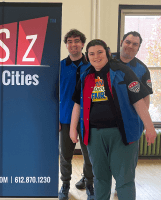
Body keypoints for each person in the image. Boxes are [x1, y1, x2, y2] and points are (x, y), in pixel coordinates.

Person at [70, 39, 157, 200]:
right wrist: (72, 128)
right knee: (100, 178)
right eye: (91, 53)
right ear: (87, 57)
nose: (96, 56)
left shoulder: (123, 72)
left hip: (122, 134)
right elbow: (77, 104)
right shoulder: (85, 76)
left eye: (100, 52)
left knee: (124, 180)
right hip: (94, 135)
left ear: (108, 53)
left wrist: (149, 127)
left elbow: (139, 100)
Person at [58, 29, 94, 200]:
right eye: (70, 41)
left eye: (77, 41)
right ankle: (65, 184)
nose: (73, 44)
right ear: (66, 45)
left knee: (90, 155)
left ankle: (89, 184)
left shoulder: (92, 66)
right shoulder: (60, 66)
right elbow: (53, 94)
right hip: (65, 118)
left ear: (82, 44)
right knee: (65, 155)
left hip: (89, 119)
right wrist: (55, 118)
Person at [114, 31, 153, 109]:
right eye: (128, 42)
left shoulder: (143, 69)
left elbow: (145, 97)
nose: (130, 46)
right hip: (107, 114)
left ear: (138, 47)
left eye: (135, 44)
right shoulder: (107, 59)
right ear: (121, 42)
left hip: (130, 115)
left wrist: (142, 120)